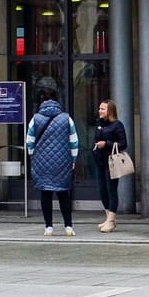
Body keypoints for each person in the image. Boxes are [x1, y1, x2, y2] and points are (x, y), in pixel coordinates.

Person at [25, 90, 79, 237]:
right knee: (63, 193)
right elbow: (74, 141)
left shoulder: (35, 119)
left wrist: (33, 157)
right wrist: (73, 160)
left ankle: (48, 226)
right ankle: (68, 226)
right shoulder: (66, 118)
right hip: (63, 162)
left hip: (41, 162)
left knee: (46, 193)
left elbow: (29, 142)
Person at [90, 100, 129, 233]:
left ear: (110, 111)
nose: (100, 111)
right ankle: (108, 218)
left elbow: (123, 144)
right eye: (99, 108)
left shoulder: (117, 125)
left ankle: (111, 220)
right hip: (100, 161)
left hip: (111, 162)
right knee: (102, 190)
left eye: (103, 109)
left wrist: (106, 144)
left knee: (111, 189)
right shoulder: (99, 124)